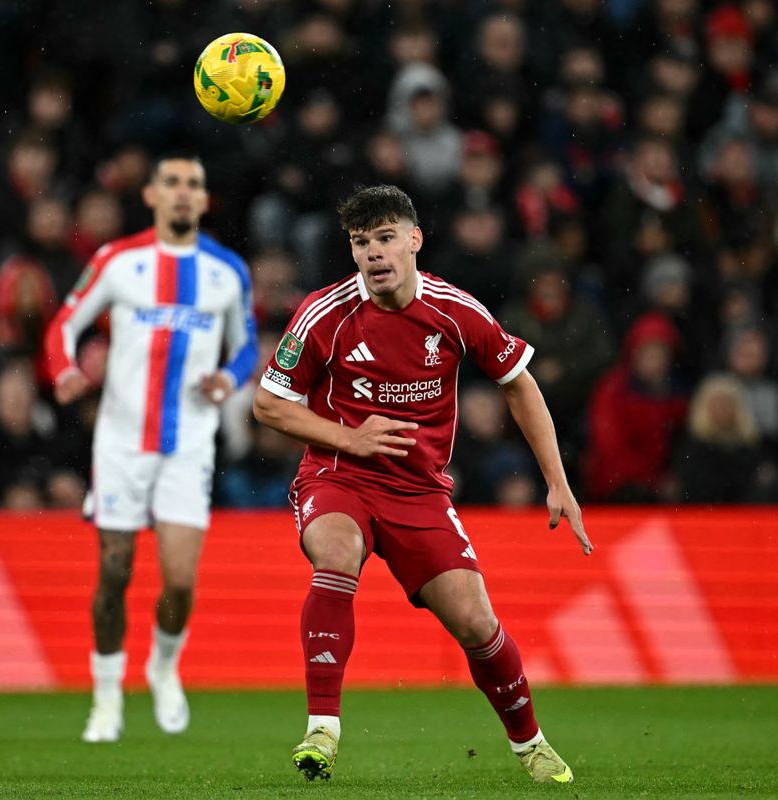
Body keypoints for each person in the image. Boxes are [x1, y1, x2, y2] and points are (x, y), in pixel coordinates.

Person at [251, 185, 591, 784]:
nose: (374, 254)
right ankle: (322, 729)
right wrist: (349, 438)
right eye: (361, 243)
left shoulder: (456, 311)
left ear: (414, 240)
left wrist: (557, 481)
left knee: (477, 624)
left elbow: (518, 383)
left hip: (418, 492)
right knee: (334, 553)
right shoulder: (323, 313)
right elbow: (269, 405)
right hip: (339, 475)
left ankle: (531, 745)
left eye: (385, 239)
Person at [45, 153, 257, 743]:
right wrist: (63, 371)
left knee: (181, 582)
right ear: (151, 196)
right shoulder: (118, 261)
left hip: (189, 443)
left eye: (194, 183)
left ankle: (163, 668)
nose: (183, 193)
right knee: (113, 575)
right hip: (120, 443)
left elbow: (246, 347)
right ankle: (106, 696)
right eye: (172, 183)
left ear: (206, 200)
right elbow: (63, 323)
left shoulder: (228, 271)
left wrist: (229, 379)